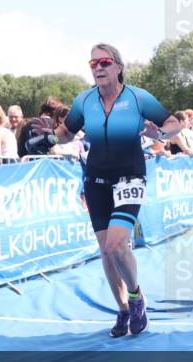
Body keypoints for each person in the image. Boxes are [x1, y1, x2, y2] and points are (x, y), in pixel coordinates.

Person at [55, 43, 182, 338]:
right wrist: (45, 137)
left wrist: (159, 133)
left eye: (105, 62)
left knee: (116, 245)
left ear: (119, 66)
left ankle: (137, 298)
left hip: (130, 177)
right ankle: (123, 309)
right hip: (96, 179)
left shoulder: (138, 98)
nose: (98, 68)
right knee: (105, 251)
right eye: (93, 63)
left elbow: (175, 124)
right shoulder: (84, 101)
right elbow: (66, 133)